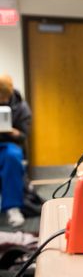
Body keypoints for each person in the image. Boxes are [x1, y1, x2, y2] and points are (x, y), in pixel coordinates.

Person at [0, 74, 31, 228]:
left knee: (12, 157)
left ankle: (13, 207)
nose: (3, 100)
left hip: (9, 145)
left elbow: (24, 134)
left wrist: (13, 132)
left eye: (5, 97)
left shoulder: (21, 107)